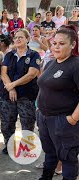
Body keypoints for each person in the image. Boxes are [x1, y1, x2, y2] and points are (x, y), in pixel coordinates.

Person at [37, 25, 79, 180]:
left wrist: (73, 119)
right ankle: (46, 177)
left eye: (62, 44)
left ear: (73, 45)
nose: (56, 47)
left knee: (68, 157)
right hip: (44, 118)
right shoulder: (51, 63)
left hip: (64, 120)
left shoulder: (76, 65)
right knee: (50, 153)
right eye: (54, 43)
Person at [0, 29, 40, 154]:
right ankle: (9, 145)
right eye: (15, 37)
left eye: (21, 37)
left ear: (27, 39)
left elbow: (31, 74)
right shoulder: (9, 55)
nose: (17, 39)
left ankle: (26, 148)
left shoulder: (34, 55)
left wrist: (13, 85)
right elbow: (3, 73)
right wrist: (10, 88)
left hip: (26, 95)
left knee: (27, 123)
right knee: (6, 123)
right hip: (6, 95)